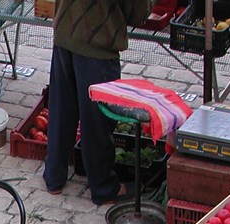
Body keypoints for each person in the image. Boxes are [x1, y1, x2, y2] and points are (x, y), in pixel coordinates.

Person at [43, 0, 152, 205]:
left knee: (62, 110)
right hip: (97, 44)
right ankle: (103, 187)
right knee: (96, 120)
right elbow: (137, 13)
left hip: (65, 34)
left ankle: (54, 177)